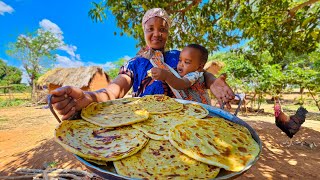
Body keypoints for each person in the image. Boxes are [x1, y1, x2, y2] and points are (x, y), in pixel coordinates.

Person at [50, 8, 235, 120]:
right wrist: (89, 97)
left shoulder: (178, 57)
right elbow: (115, 90)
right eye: (150, 29)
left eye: (162, 29)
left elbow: (198, 73)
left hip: (184, 122)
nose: (156, 34)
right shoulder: (134, 64)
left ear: (168, 33)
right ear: (143, 31)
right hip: (145, 123)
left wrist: (214, 81)